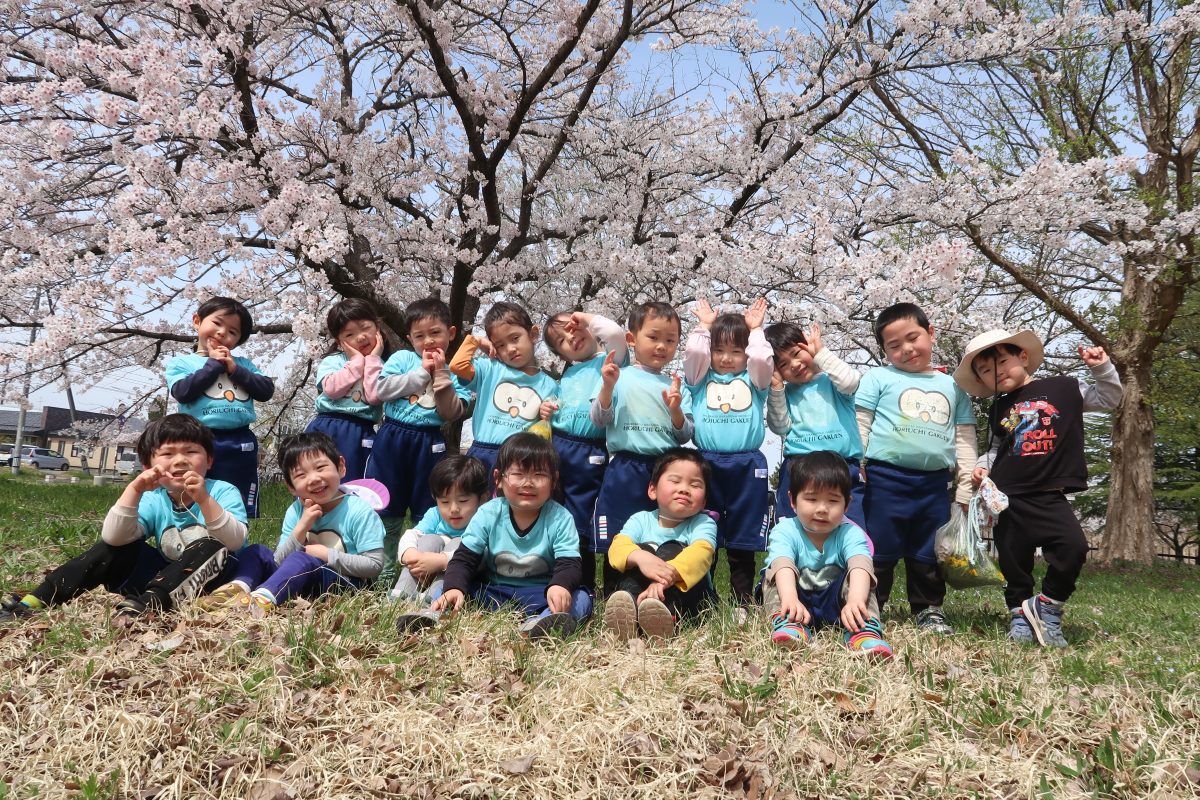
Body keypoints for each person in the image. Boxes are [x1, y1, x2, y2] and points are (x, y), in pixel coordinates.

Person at [954, 329, 1122, 647]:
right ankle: (1019, 615)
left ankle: (1048, 607)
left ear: (1023, 357)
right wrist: (982, 466)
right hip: (1008, 497)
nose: (996, 372)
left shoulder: (1063, 388)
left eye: (1002, 362)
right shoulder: (999, 407)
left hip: (1049, 493)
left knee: (1073, 547)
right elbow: (998, 449)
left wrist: (1101, 368)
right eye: (986, 370)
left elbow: (1109, 398)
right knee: (1013, 562)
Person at [0, 415, 247, 619]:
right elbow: (115, 538)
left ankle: (151, 604)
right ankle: (39, 599)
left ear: (209, 460)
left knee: (211, 544)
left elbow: (234, 542)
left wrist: (204, 499)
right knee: (112, 549)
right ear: (148, 465)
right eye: (167, 454)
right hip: (165, 579)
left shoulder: (222, 491)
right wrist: (134, 490)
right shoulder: (154, 497)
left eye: (191, 452)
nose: (181, 460)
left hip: (214, 583)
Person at [855, 302, 976, 634]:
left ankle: (928, 608)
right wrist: (857, 462)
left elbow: (964, 439)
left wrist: (965, 486)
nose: (906, 349)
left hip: (935, 484)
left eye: (913, 338)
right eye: (894, 345)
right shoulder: (878, 378)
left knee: (928, 550)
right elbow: (861, 423)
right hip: (883, 479)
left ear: (931, 333)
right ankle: (869, 606)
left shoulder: (953, 387)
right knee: (878, 546)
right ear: (884, 351)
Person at [422, 433, 592, 639]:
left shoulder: (560, 518)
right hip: (493, 591)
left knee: (581, 597)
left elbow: (569, 564)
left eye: (539, 475)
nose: (528, 483)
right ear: (498, 479)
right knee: (447, 587)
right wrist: (455, 587)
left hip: (541, 594)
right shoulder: (488, 513)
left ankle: (544, 623)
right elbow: (464, 558)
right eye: (518, 474)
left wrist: (560, 586)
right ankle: (433, 615)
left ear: (554, 481)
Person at [591, 301, 693, 594]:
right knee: (618, 531)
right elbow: (599, 419)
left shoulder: (677, 386)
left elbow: (685, 435)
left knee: (662, 530)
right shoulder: (617, 376)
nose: (662, 346)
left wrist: (675, 410)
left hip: (664, 469)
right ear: (632, 338)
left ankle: (658, 592)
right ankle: (614, 594)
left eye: (670, 340)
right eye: (653, 337)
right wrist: (607, 387)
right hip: (625, 466)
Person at [365, 296, 470, 578]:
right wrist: (422, 373)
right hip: (392, 437)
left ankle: (423, 570)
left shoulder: (455, 372)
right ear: (409, 338)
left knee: (427, 505)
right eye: (419, 336)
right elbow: (381, 390)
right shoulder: (402, 359)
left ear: (451, 333)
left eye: (435, 333)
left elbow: (451, 412)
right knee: (386, 504)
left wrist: (441, 375)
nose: (428, 341)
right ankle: (384, 571)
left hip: (430, 442)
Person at [683, 298, 771, 611]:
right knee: (703, 530)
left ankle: (742, 601)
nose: (726, 358)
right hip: (706, 462)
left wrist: (756, 331)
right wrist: (704, 326)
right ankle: (701, 598)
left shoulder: (755, 380)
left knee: (743, 535)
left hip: (747, 464)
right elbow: (694, 354)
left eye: (736, 351)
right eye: (718, 350)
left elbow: (762, 360)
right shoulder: (699, 380)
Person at [762, 451, 893, 659]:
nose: (822, 509)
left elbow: (860, 565)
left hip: (838, 604)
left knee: (862, 579)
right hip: (795, 597)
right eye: (811, 499)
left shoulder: (851, 533)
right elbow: (783, 563)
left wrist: (855, 600)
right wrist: (790, 598)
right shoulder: (785, 530)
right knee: (774, 576)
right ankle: (789, 623)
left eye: (833, 500)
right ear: (793, 500)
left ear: (847, 504)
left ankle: (863, 629)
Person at [240, 432, 384, 614]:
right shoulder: (296, 511)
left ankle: (263, 599)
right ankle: (237, 589)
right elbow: (278, 561)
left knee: (301, 558)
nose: (314, 478)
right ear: (290, 486)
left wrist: (326, 554)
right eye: (301, 475)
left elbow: (374, 565)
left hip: (347, 585)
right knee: (257, 551)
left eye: (321, 467)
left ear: (340, 467)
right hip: (302, 580)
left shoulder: (359, 510)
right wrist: (302, 526)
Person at [541, 310, 629, 593]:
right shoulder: (568, 374)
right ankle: (560, 577)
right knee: (557, 513)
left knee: (583, 520)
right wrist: (547, 408)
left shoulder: (610, 359)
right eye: (561, 342)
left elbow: (614, 333)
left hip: (590, 449)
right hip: (558, 447)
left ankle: (586, 585)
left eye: (572, 328)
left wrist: (585, 317)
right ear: (561, 355)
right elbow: (558, 403)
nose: (570, 338)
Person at [166, 296, 274, 517]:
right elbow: (183, 392)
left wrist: (234, 369)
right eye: (217, 323)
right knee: (193, 489)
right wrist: (214, 365)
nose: (222, 333)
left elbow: (265, 391)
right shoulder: (182, 363)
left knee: (237, 493)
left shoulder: (243, 365)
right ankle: (192, 526)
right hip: (197, 438)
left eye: (233, 332)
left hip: (239, 439)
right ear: (197, 321)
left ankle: (236, 528)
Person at [603, 448, 717, 640]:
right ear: (652, 490)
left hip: (690, 602)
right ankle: (629, 612)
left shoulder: (703, 523)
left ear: (704, 501)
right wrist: (641, 558)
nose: (684, 489)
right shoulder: (640, 519)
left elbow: (702, 553)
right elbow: (617, 548)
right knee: (639, 550)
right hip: (642, 592)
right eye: (675, 481)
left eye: (695, 485)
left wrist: (666, 577)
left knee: (672, 548)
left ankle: (664, 619)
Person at [765, 321, 864, 526]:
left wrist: (821, 353)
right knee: (792, 527)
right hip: (799, 465)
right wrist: (776, 387)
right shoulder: (785, 393)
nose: (794, 365)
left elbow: (850, 381)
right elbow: (779, 426)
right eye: (783, 364)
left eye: (796, 353)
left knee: (851, 528)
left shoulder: (834, 383)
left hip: (842, 465)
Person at [449, 301, 558, 488]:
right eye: (500, 345)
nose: (510, 349)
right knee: (475, 500)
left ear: (533, 334)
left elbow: (545, 428)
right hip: (482, 451)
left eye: (515, 338)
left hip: (519, 459)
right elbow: (457, 366)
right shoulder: (490, 368)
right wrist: (476, 341)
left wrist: (546, 414)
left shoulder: (549, 385)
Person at [390, 454, 490, 606]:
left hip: (461, 577)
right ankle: (401, 593)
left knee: (459, 542)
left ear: (482, 498)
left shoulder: (483, 519)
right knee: (430, 539)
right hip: (425, 571)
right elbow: (411, 534)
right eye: (444, 501)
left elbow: (485, 555)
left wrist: (441, 561)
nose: (454, 509)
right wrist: (411, 555)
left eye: (463, 501)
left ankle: (433, 598)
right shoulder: (435, 514)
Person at [305, 298, 388, 480]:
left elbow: (374, 396)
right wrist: (356, 361)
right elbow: (332, 389)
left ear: (377, 327)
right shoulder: (333, 361)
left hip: (362, 428)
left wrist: (373, 360)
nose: (360, 337)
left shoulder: (381, 365)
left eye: (365, 328)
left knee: (358, 480)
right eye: (349, 334)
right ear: (339, 342)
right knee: (319, 475)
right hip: (328, 425)